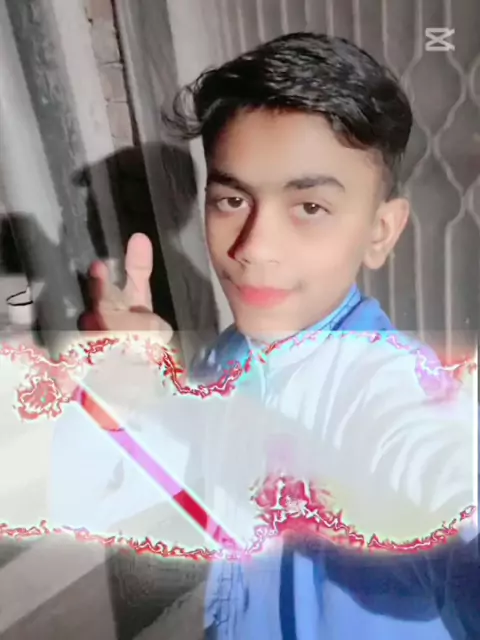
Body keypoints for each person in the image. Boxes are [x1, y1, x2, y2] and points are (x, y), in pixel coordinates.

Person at [51, 33, 478, 639]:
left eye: (309, 208)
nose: (254, 247)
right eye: (231, 200)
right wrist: (113, 397)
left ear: (380, 232)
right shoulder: (225, 359)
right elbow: (95, 502)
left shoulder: (392, 388)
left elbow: (440, 464)